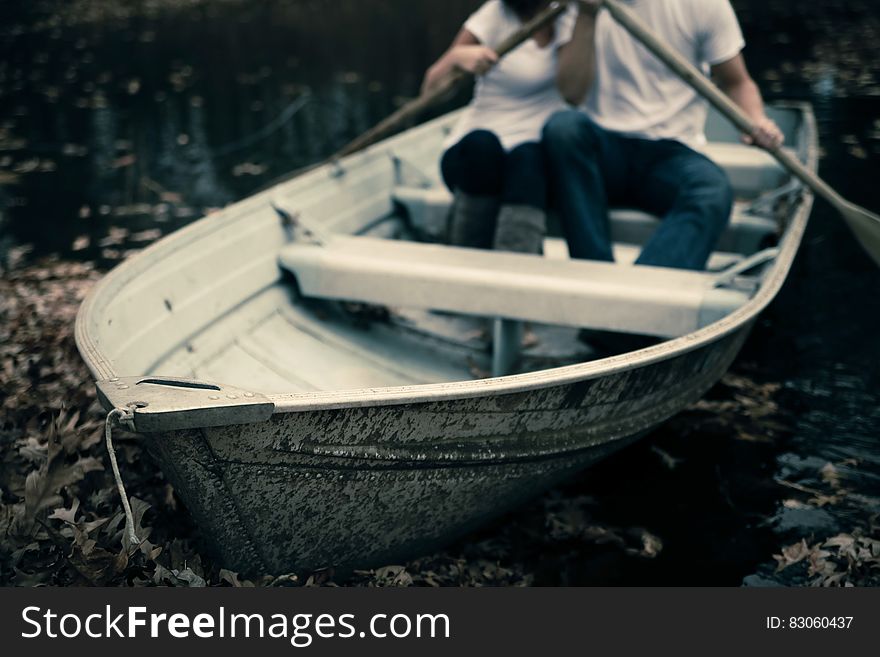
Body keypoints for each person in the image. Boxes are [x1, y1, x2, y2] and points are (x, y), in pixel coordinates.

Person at [543, 0, 785, 271]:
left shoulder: (704, 4)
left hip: (671, 155)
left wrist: (756, 121)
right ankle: (594, 272)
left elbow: (737, 82)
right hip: (602, 153)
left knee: (712, 191)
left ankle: (641, 291)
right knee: (563, 128)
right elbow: (571, 93)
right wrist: (587, 15)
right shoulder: (575, 6)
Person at [422, 0, 577, 254]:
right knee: (483, 145)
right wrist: (456, 58)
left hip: (532, 165)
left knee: (529, 158)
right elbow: (429, 93)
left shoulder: (571, 16)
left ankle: (515, 266)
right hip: (474, 158)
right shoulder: (495, 14)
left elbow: (576, 88)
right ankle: (466, 258)